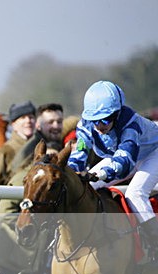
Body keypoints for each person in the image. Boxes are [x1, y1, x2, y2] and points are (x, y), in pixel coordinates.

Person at [68, 80, 158, 252]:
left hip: (152, 152)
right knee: (86, 187)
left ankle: (154, 243)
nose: (99, 126)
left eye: (105, 119)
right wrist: (71, 172)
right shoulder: (86, 124)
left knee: (135, 193)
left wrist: (103, 173)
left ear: (117, 114)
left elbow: (124, 160)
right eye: (95, 120)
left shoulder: (130, 123)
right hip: (122, 155)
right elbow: (80, 152)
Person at [0, 101, 36, 185]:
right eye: (23, 118)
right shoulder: (5, 150)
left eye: (31, 117)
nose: (28, 121)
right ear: (13, 124)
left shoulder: (42, 146)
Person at [10, 103, 64, 175]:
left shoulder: (64, 144)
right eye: (50, 122)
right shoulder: (29, 151)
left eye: (59, 122)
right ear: (38, 125)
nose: (56, 126)